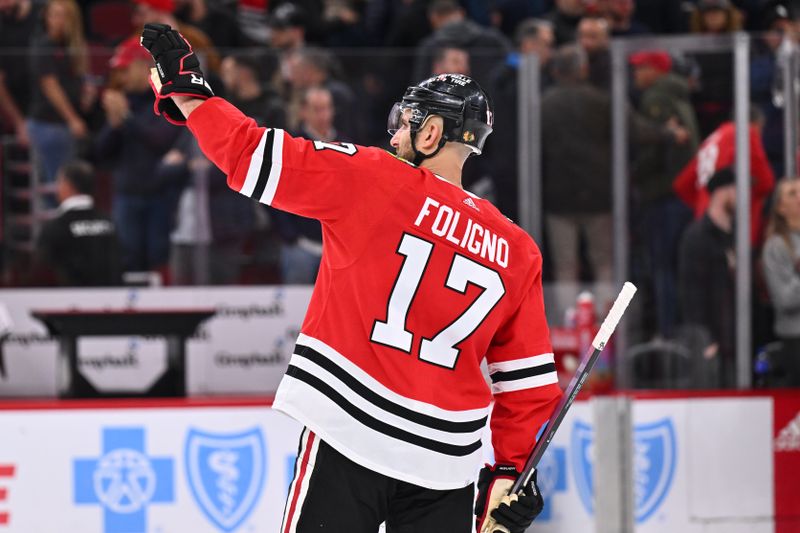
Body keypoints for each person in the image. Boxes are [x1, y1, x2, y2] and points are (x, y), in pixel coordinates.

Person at [141, 23, 561, 533]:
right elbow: (526, 386)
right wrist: (513, 470)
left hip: (350, 431)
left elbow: (251, 153)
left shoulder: (374, 177)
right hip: (446, 464)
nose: (395, 134)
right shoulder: (518, 249)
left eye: (406, 124)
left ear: (431, 133)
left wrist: (188, 92)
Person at [542, 45, 687, 286]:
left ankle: (566, 323)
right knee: (605, 264)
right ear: (583, 69)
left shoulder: (543, 105)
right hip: (599, 194)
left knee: (565, 267)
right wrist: (669, 134)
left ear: (556, 71)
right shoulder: (601, 101)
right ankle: (607, 322)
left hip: (557, 197)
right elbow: (635, 130)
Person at [95, 37, 181, 273]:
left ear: (144, 67)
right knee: (128, 257)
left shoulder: (165, 99)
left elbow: (160, 139)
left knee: (158, 256)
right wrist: (114, 125)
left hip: (159, 195)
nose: (121, 77)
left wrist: (126, 119)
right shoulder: (123, 100)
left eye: (125, 69)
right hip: (127, 193)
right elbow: (101, 152)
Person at [630, 50, 700, 339]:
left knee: (662, 267)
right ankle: (676, 330)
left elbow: (654, 151)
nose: (635, 75)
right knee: (674, 265)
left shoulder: (656, 98)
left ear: (654, 70)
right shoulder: (679, 94)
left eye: (640, 68)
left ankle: (667, 333)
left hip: (662, 194)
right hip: (680, 194)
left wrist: (632, 174)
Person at [673, 107, 776, 246]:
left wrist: (702, 200)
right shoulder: (745, 133)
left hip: (703, 220)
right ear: (757, 124)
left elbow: (682, 184)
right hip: (733, 224)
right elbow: (766, 182)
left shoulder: (714, 138)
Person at [678, 167, 738, 388]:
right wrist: (705, 338)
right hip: (712, 342)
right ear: (723, 192)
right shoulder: (697, 237)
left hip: (737, 339)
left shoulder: (737, 235)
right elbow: (691, 292)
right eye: (738, 190)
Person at [27, 0, 89, 195]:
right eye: (54, 15)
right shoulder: (43, 45)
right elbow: (50, 85)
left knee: (69, 177)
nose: (58, 21)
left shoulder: (73, 46)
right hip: (49, 122)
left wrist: (87, 90)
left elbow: (82, 76)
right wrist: (72, 119)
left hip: (66, 123)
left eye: (63, 15)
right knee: (59, 182)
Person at [34, 160, 122, 286]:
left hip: (67, 302)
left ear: (68, 185)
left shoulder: (55, 227)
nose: (57, 188)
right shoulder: (109, 223)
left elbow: (42, 274)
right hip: (108, 302)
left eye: (59, 182)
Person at [762, 178, 800, 386]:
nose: (799, 198)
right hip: (795, 337)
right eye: (792, 193)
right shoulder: (776, 246)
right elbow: (784, 299)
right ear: (780, 207)